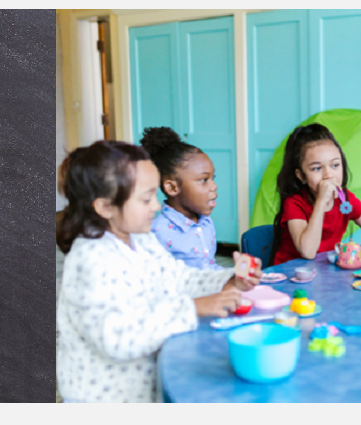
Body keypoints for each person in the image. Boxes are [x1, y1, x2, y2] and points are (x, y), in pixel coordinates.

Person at [55, 140, 261, 402]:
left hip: (146, 387)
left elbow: (180, 278)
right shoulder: (90, 260)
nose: (156, 206)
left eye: (154, 195)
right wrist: (193, 308)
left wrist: (228, 279)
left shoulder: (141, 240)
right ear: (105, 206)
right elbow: (118, 336)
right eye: (145, 198)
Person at [268, 123, 361, 266]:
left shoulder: (346, 199)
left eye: (335, 165)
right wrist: (321, 202)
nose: (328, 175)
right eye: (316, 168)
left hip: (322, 273)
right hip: (291, 275)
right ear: (301, 176)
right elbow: (308, 252)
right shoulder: (294, 203)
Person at [140, 126, 223, 269]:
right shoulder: (157, 232)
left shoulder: (206, 223)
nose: (213, 186)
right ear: (172, 188)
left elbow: (210, 266)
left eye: (212, 178)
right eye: (204, 180)